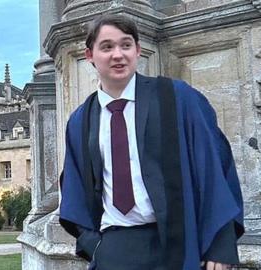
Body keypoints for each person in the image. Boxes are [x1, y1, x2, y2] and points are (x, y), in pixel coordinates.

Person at [59, 14, 244, 270]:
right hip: (115, 246)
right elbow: (74, 187)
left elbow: (215, 165)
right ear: (89, 55)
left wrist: (221, 243)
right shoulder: (81, 120)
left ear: (138, 50)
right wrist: (96, 246)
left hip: (177, 243)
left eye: (126, 45)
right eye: (107, 47)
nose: (118, 54)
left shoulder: (178, 98)